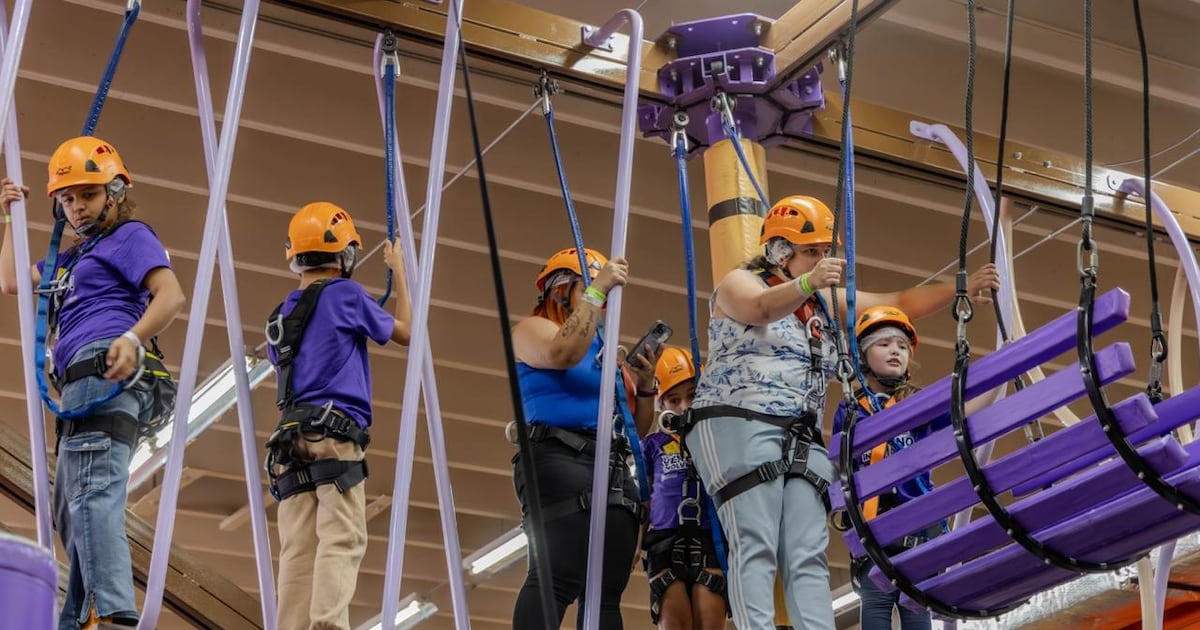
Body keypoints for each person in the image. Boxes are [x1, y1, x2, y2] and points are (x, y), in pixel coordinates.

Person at [681, 195, 1001, 629]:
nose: (820, 260)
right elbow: (760, 308)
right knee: (754, 541)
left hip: (799, 435)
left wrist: (959, 288)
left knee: (807, 552)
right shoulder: (740, 283)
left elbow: (898, 301)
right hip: (739, 419)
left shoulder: (824, 302)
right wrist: (808, 283)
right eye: (810, 251)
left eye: (824, 251)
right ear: (780, 251)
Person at [0, 137, 187, 629]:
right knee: (69, 502)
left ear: (115, 191)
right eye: (67, 199)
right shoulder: (69, 258)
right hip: (79, 380)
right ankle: (81, 614)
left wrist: (131, 338)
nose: (77, 207)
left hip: (102, 364)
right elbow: (12, 282)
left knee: (90, 492)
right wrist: (9, 219)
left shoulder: (129, 236)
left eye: (87, 194)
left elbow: (170, 295)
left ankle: (114, 612)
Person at [264, 202, 411, 630]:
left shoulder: (280, 316)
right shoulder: (346, 295)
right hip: (334, 433)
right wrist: (400, 273)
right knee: (342, 535)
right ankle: (328, 625)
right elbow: (406, 332)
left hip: (289, 440)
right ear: (345, 255)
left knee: (298, 549)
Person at [509, 246, 657, 629]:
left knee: (605, 593)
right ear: (561, 288)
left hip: (611, 466)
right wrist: (597, 290)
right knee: (556, 576)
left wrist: (644, 388)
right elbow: (561, 354)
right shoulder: (532, 329)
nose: (604, 302)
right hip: (559, 455)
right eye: (591, 288)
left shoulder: (605, 352)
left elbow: (634, 430)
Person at [832, 306, 997, 630]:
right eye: (884, 344)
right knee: (876, 601)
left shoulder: (916, 408)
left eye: (902, 346)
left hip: (917, 526)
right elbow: (841, 460)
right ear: (863, 358)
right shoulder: (851, 411)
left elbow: (963, 411)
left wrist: (997, 377)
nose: (895, 350)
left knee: (916, 607)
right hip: (873, 528)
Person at [641, 346, 728, 630]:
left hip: (710, 538)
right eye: (674, 400)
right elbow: (643, 497)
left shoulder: (717, 440)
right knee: (673, 622)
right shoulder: (653, 445)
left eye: (691, 397)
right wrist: (634, 545)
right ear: (662, 404)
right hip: (664, 540)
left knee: (710, 622)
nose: (683, 407)